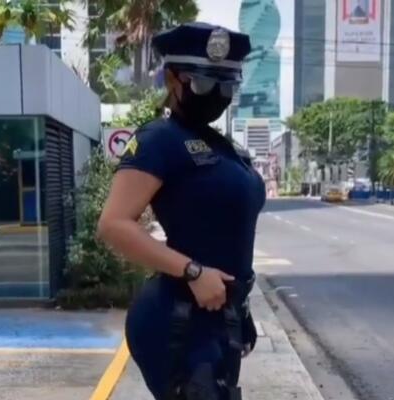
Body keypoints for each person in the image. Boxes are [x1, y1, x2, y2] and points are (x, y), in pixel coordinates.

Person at [97, 22, 266, 400]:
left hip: (219, 316)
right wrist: (194, 272)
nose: (216, 95)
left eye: (226, 87)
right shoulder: (159, 139)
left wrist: (241, 308)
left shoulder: (225, 147)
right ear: (172, 78)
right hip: (178, 317)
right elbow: (113, 224)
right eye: (203, 84)